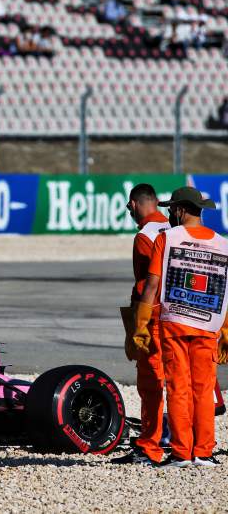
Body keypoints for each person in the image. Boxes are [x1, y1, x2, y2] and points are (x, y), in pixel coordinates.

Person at [132, 187, 228, 468]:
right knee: (203, 388)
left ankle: (182, 453)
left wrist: (140, 324)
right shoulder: (222, 244)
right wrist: (225, 331)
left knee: (178, 389)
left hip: (174, 323)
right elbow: (225, 291)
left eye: (173, 208)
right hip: (208, 325)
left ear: (181, 210)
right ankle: (204, 452)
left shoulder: (167, 238)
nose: (170, 213)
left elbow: (151, 284)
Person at [112, 184, 170, 466]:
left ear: (133, 205)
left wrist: (138, 323)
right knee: (183, 383)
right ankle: (189, 444)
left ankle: (150, 444)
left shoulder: (144, 236)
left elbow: (146, 284)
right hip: (182, 316)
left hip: (154, 315)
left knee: (150, 383)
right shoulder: (176, 228)